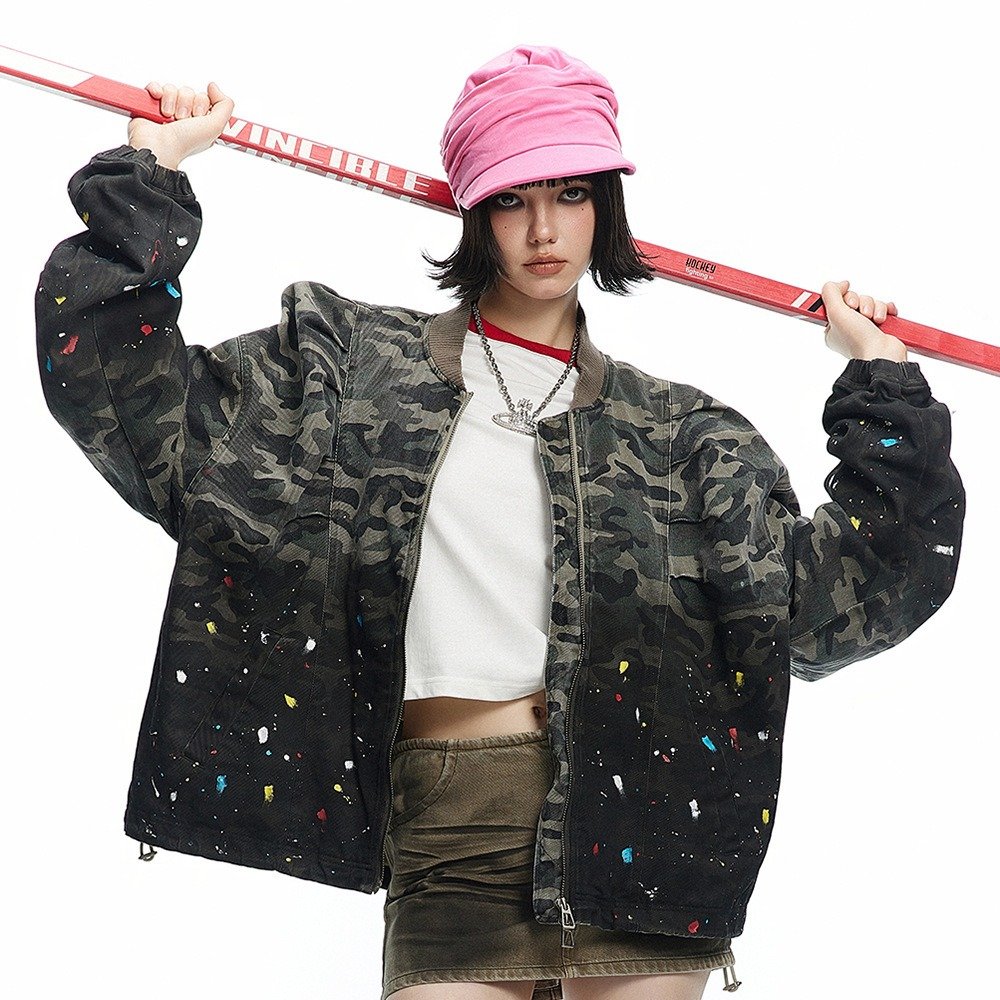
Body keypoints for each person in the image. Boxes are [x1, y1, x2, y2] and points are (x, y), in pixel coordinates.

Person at [34, 45, 965, 1000]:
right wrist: (150, 176)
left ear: (606, 205)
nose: (544, 229)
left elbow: (840, 603)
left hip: (644, 836)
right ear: (473, 211)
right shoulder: (346, 374)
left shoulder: (682, 437)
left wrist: (884, 387)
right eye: (513, 199)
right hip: (452, 826)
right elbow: (126, 398)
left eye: (571, 193)